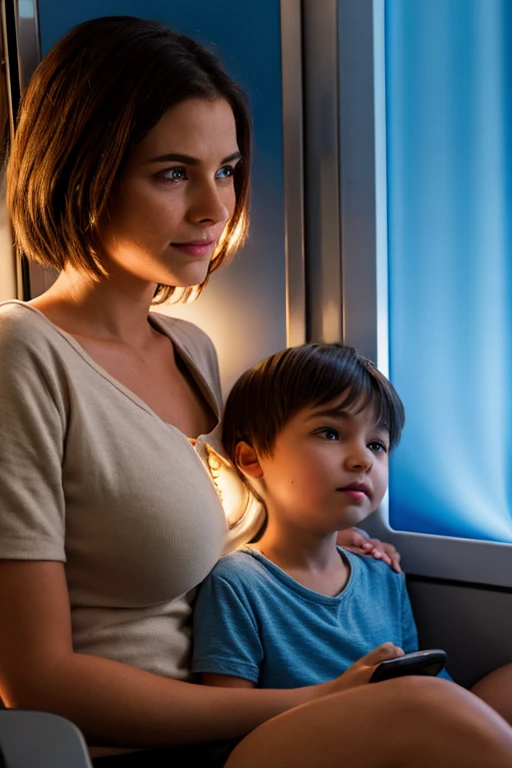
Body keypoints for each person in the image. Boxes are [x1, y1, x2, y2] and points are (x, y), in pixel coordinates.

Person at [0, 14, 511, 768]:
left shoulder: (192, 349)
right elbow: (36, 683)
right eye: (173, 173)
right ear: (83, 173)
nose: (215, 207)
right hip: (150, 748)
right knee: (427, 706)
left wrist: (322, 533)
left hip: (260, 716)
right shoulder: (24, 358)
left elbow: (206, 521)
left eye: (228, 169)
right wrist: (317, 700)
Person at [192, 343, 449, 688]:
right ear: (252, 459)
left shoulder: (383, 577)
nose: (363, 460)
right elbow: (227, 714)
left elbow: (420, 683)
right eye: (330, 433)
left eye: (377, 444)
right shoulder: (238, 583)